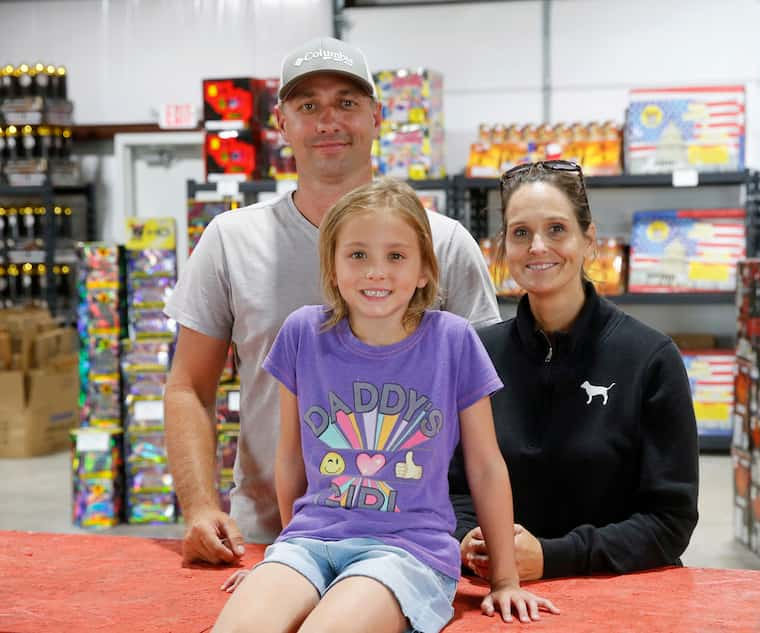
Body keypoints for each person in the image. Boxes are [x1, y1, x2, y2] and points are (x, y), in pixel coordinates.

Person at [163, 37, 500, 565]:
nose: (328, 121)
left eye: (346, 102)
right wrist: (200, 507)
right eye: (308, 106)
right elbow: (188, 386)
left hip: (415, 541)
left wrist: (484, 533)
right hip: (268, 539)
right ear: (281, 123)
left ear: (377, 115)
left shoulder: (446, 243)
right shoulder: (231, 240)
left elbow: (487, 412)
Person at [212, 178, 558, 633]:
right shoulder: (301, 333)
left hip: (407, 550)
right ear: (332, 267)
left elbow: (486, 465)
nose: (376, 271)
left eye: (396, 256)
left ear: (423, 271)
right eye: (357, 255)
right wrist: (281, 557)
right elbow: (290, 455)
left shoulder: (453, 340)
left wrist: (505, 578)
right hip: (309, 542)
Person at [448, 159, 700, 580]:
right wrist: (467, 536)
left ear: (589, 240)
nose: (538, 247)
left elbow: (669, 522)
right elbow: (455, 485)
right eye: (521, 233)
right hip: (499, 596)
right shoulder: (477, 354)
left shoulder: (651, 358)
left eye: (557, 230)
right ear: (504, 247)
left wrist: (551, 557)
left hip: (618, 595)